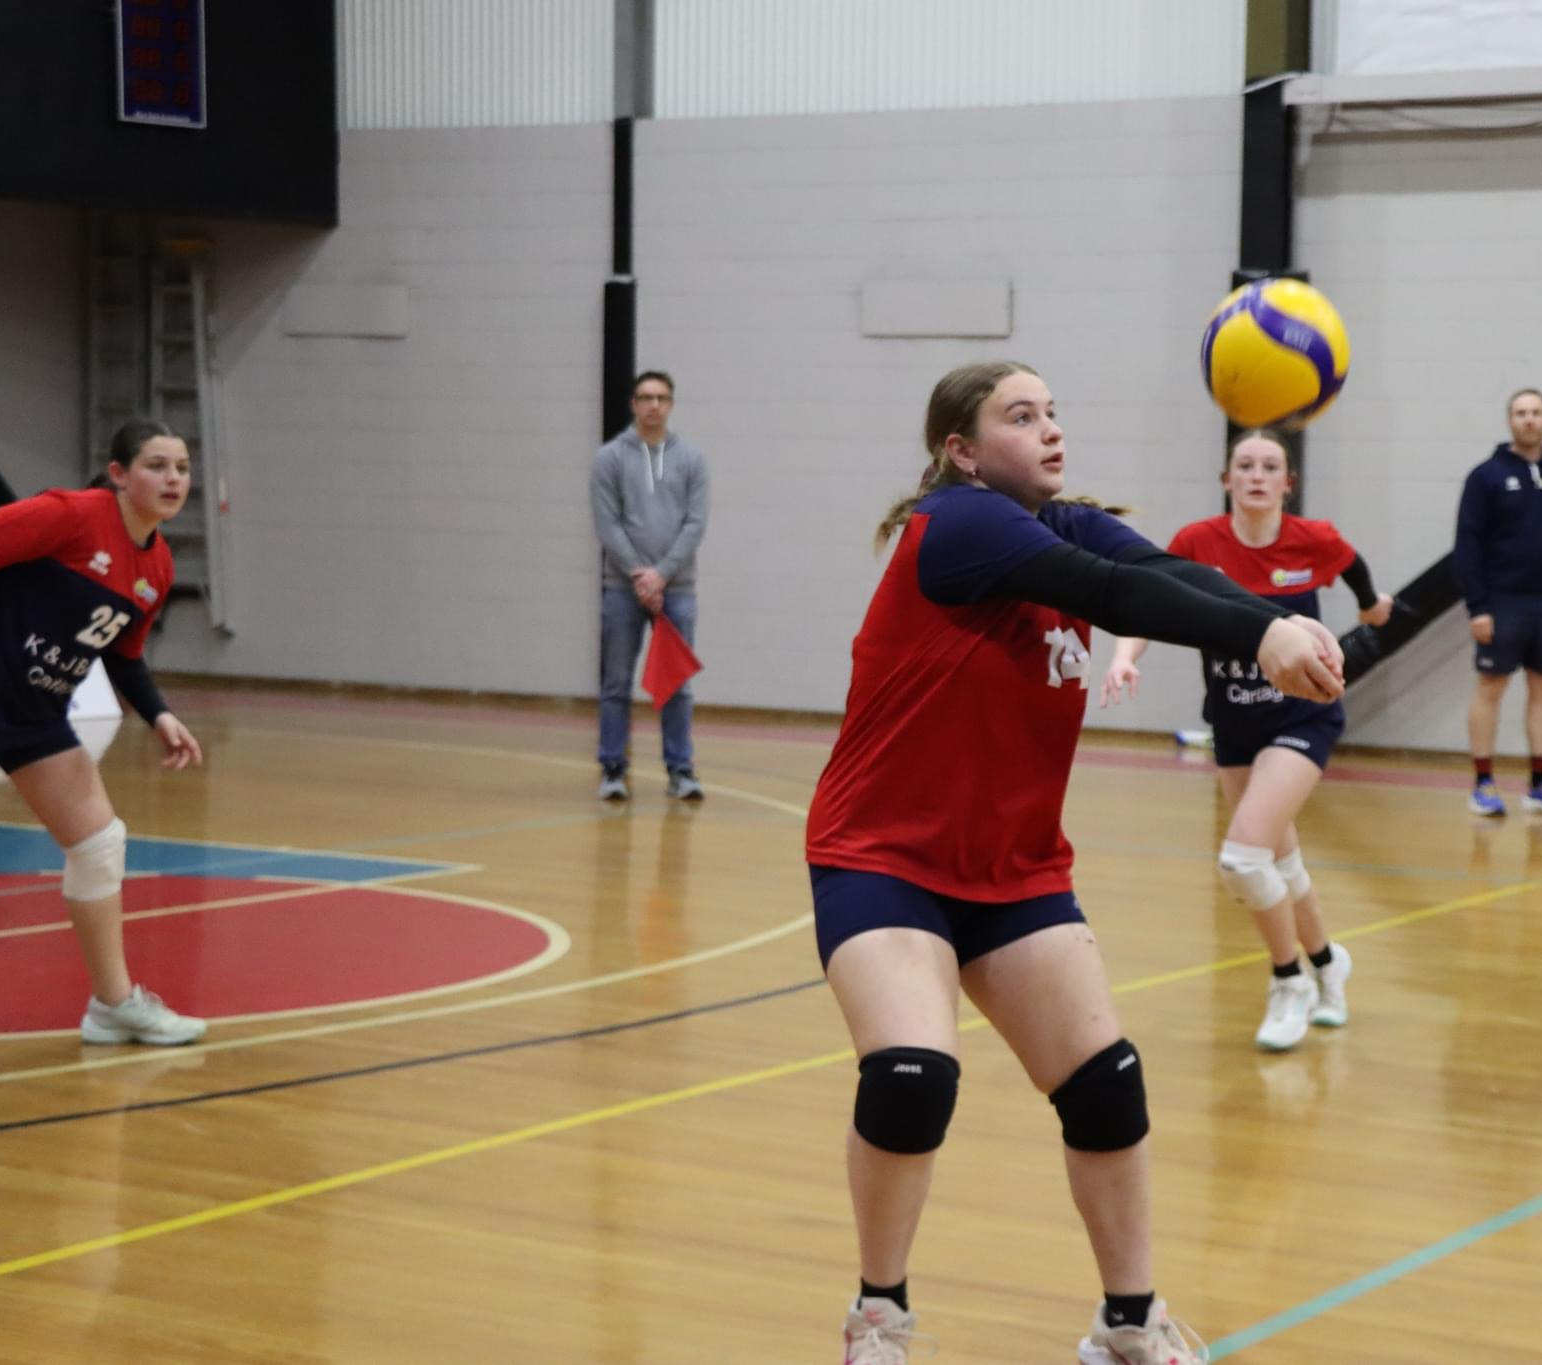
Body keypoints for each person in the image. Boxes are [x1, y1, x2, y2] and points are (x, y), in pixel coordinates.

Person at [805, 361, 1343, 1364]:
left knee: (1105, 1085)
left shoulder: (1063, 524)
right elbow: (1109, 596)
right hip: (885, 858)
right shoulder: (955, 524)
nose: (1050, 430)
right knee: (913, 1075)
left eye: (1054, 411)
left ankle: (1127, 1324)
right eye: (1020, 416)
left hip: (1011, 868)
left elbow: (1159, 576)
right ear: (959, 452)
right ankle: (878, 1314)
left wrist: (1271, 617)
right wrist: (1258, 630)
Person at [1100, 429, 1392, 1051]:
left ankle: (1288, 980)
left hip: (1302, 718)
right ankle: (1327, 962)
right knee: (1282, 862)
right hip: (1232, 720)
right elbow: (1141, 603)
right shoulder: (1197, 544)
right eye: (1244, 465)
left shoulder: (1313, 539)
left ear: (1288, 483)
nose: (1256, 475)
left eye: (1270, 467)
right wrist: (1126, 658)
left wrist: (1371, 607)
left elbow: (1356, 570)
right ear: (1227, 480)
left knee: (1243, 858)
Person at [0, 419, 206, 1045]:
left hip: (33, 712)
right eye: (156, 465)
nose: (172, 479)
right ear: (118, 474)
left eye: (182, 468)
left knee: (99, 843)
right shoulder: (71, 515)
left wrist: (158, 713)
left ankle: (113, 1005)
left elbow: (122, 653)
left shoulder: (158, 567)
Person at [1453, 388, 1542, 819]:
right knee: (1492, 687)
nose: (1529, 419)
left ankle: (1540, 785)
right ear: (1510, 420)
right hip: (1502, 601)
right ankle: (1483, 784)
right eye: (1521, 413)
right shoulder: (1486, 477)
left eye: (1536, 413)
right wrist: (1478, 606)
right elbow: (1468, 547)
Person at [589, 369, 710, 802]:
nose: (653, 405)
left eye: (661, 397)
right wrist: (640, 574)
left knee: (676, 684)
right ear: (633, 404)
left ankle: (681, 771)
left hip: (677, 590)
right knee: (616, 683)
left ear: (671, 404)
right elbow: (608, 524)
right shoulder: (609, 459)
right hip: (622, 590)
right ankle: (613, 769)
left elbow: (695, 523)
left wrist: (662, 574)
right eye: (645, 397)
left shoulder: (692, 459)